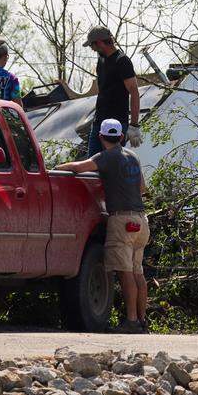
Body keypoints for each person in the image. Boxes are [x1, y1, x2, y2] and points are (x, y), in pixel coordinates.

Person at [57, 118, 149, 334]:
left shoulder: (106, 157)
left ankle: (131, 322)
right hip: (141, 221)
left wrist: (56, 168)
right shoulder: (133, 156)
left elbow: (79, 168)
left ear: (100, 137)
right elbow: (143, 188)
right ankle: (142, 321)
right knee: (138, 273)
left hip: (122, 221)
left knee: (125, 273)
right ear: (120, 137)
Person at [83, 26, 141, 156]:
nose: (92, 49)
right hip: (99, 122)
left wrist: (134, 125)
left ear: (99, 42)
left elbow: (134, 92)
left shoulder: (122, 61)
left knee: (111, 164)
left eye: (92, 45)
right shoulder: (101, 59)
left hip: (116, 123)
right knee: (93, 164)